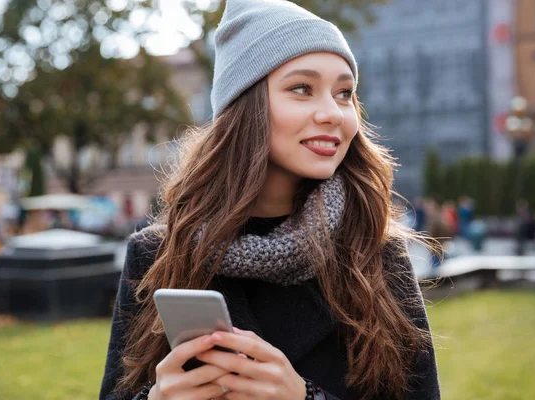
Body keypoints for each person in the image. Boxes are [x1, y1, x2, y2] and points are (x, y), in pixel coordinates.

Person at [100, 1, 440, 399]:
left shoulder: (376, 251)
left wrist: (304, 397)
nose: (333, 113)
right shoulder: (157, 253)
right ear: (245, 106)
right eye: (302, 89)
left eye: (345, 93)